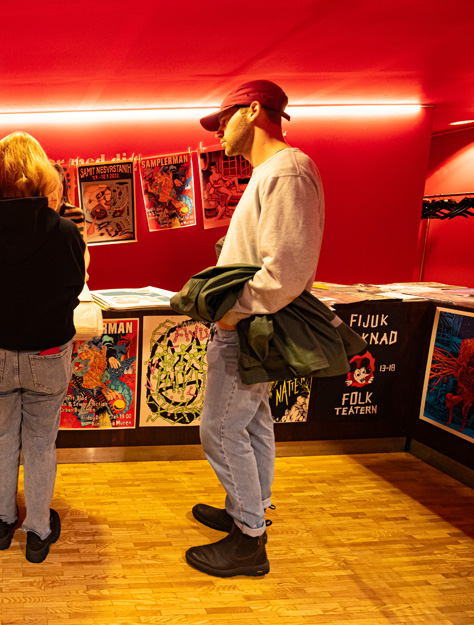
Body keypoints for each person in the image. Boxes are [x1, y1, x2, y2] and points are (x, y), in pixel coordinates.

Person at [188, 80, 325, 577]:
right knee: (252, 423)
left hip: (248, 326)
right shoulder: (272, 172)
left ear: (252, 111)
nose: (219, 133)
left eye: (224, 121)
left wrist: (232, 313)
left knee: (220, 429)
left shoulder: (287, 171)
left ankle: (249, 539)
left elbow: (285, 270)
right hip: (252, 324)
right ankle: (247, 508)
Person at [0, 131, 86, 563]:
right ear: (41, 172)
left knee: (0, 438)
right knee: (39, 443)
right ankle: (38, 530)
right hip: (47, 355)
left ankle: (2, 521)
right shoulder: (65, 231)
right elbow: (75, 285)